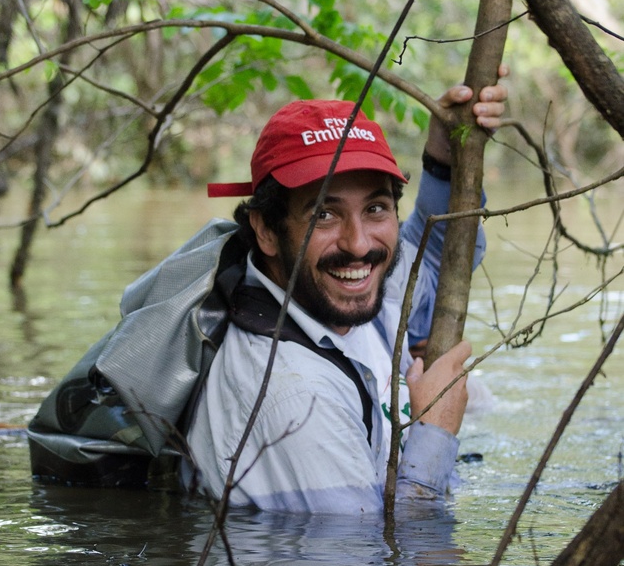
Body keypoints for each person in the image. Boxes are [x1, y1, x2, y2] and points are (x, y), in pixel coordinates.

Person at [185, 79, 507, 514]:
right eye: (324, 214)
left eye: (375, 208)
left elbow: (433, 263)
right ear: (266, 229)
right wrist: (435, 431)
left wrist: (445, 158)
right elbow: (376, 563)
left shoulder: (343, 286)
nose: (359, 244)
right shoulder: (294, 400)